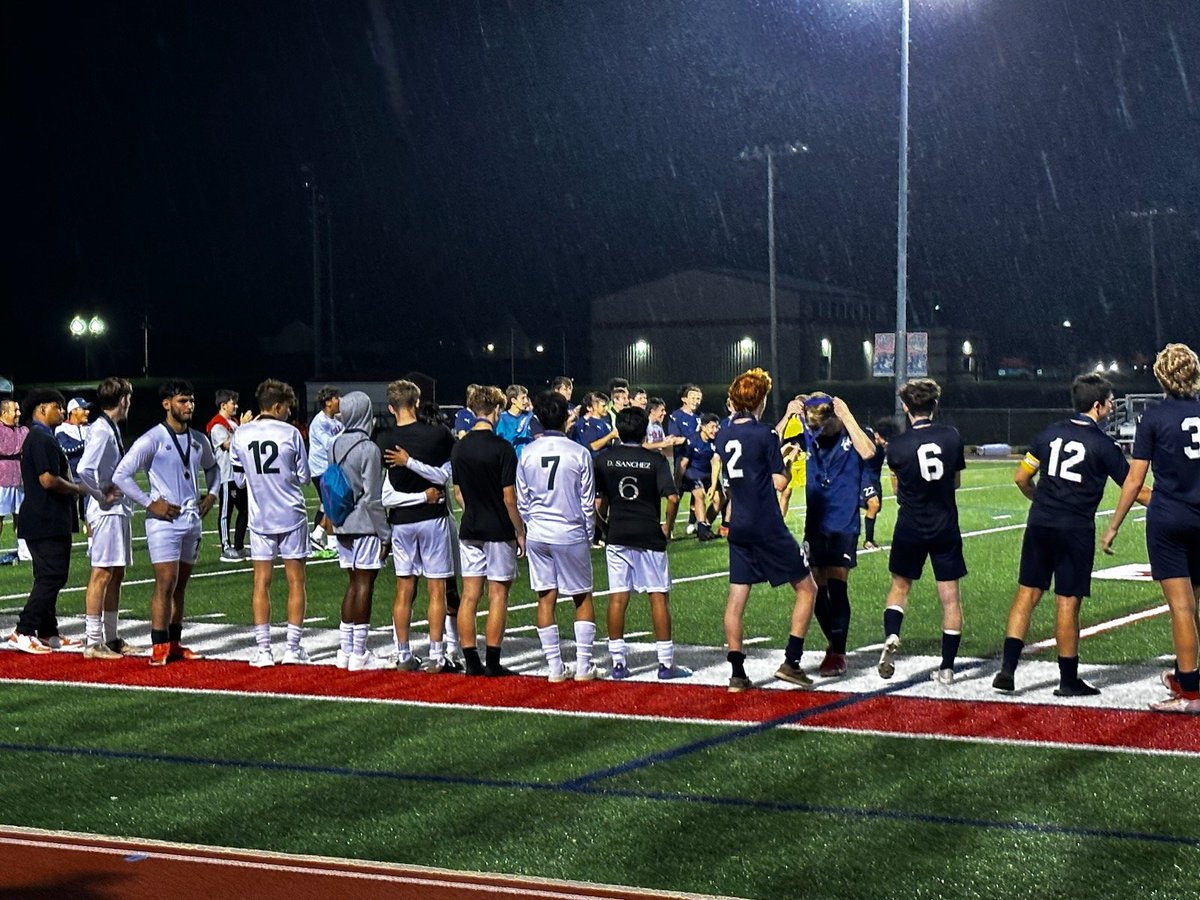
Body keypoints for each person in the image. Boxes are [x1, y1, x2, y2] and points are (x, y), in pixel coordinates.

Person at [993, 373, 1148, 696]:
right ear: (1098, 405)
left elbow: (1022, 478)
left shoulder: (1050, 434)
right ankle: (1067, 680)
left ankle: (1007, 670)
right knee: (1067, 601)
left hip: (1041, 522)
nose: (1110, 407)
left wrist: (1040, 500)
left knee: (1027, 594)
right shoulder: (1104, 445)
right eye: (1108, 402)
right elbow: (1136, 490)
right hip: (1075, 528)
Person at [1102, 343, 1200, 714]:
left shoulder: (1155, 419)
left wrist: (1113, 526)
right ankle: (1188, 675)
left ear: (1162, 376)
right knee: (1195, 606)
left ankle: (1189, 692)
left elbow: (1133, 480)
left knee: (1180, 608)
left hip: (1170, 519)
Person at [716, 368, 818, 693]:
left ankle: (736, 674)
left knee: (736, 600)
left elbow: (748, 459)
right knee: (807, 589)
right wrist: (787, 458)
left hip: (739, 524)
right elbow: (779, 481)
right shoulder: (765, 435)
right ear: (760, 400)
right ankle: (791, 661)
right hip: (766, 524)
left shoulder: (723, 434)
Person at [113, 379, 219, 666]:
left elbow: (213, 467)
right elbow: (121, 475)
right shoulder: (152, 439)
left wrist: (212, 494)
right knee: (165, 583)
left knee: (181, 584)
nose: (189, 406)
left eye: (191, 400)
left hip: (191, 520)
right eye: (183, 401)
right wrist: (150, 503)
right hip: (163, 522)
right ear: (167, 404)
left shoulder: (198, 439)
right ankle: (158, 643)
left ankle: (174, 642)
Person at [877, 378, 966, 685]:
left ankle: (891, 634)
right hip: (944, 524)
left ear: (905, 407)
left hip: (910, 525)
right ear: (934, 405)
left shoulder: (898, 446)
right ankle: (947, 668)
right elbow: (954, 482)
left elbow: (897, 489)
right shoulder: (951, 436)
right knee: (950, 599)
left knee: (900, 587)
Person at [596, 406, 691, 680]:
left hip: (618, 534)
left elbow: (594, 503)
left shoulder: (604, 459)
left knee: (618, 597)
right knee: (658, 596)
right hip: (649, 533)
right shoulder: (655, 460)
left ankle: (617, 664)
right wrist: (667, 528)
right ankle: (665, 664)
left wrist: (604, 527)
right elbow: (672, 498)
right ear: (643, 430)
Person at [517, 390, 601, 682]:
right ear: (566, 417)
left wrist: (532, 526)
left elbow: (522, 499)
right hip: (569, 531)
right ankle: (583, 665)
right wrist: (588, 533)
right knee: (582, 596)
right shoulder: (578, 452)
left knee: (545, 597)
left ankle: (554, 667)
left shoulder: (527, 452)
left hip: (539, 532)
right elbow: (587, 501)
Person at [378, 379, 460, 673]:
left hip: (401, 522)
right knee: (436, 588)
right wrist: (415, 469)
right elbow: (442, 477)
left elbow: (387, 487)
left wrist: (408, 463)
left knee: (404, 589)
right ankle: (437, 655)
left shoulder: (384, 439)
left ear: (390, 407)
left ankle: (403, 654)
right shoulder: (439, 435)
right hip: (431, 517)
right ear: (417, 402)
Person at [230, 379, 312, 667]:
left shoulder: (240, 434)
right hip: (290, 513)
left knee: (261, 582)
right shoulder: (290, 433)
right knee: (295, 581)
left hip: (260, 516)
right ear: (277, 406)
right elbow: (304, 477)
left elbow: (238, 479)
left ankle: (263, 650)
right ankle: (292, 647)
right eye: (287, 408)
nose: (289, 413)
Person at [798, 393, 877, 678]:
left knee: (837, 584)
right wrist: (789, 415)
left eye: (821, 425)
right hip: (815, 521)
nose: (816, 432)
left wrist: (847, 416)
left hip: (842, 521)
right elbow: (774, 443)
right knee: (815, 587)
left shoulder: (851, 432)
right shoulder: (809, 432)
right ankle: (834, 643)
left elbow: (868, 452)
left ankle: (838, 653)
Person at [451, 385, 526, 676]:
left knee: (470, 595)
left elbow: (458, 493)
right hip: (497, 529)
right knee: (498, 595)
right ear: (496, 410)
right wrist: (519, 530)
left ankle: (471, 661)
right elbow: (510, 498)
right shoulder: (502, 448)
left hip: (470, 525)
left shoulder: (460, 446)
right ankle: (493, 662)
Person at [6, 390, 87, 653]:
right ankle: (24, 630)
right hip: (44, 518)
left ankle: (48, 632)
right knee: (52, 576)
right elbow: (47, 479)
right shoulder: (40, 438)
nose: (62, 412)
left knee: (47, 576)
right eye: (57, 407)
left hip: (47, 517)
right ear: (41, 409)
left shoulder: (43, 436)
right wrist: (77, 489)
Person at [76, 377, 140, 659]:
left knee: (116, 573)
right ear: (123, 399)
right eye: (128, 398)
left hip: (116, 511)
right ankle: (93, 641)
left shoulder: (107, 426)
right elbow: (84, 470)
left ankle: (111, 637)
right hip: (106, 512)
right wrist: (101, 496)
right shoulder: (102, 430)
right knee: (101, 573)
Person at [331, 391, 392, 671]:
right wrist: (385, 532)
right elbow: (372, 497)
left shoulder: (334, 443)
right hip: (365, 524)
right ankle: (359, 652)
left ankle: (345, 650)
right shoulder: (369, 448)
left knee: (352, 583)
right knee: (365, 583)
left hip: (341, 521)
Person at [207, 388, 252, 562]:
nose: (236, 406)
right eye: (233, 402)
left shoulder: (233, 423)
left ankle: (239, 546)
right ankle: (226, 547)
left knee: (246, 510)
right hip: (226, 476)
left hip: (239, 476)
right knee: (226, 512)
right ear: (223, 405)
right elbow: (227, 445)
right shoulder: (217, 424)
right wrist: (243, 428)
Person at [308, 386, 343, 556]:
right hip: (320, 468)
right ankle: (331, 543)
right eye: (337, 398)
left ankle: (316, 535)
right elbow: (329, 444)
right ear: (328, 402)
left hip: (331, 468)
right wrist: (347, 432)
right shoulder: (319, 422)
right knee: (332, 506)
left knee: (329, 504)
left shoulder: (336, 420)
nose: (340, 401)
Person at [678, 412, 723, 541]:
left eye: (717, 427)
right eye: (712, 427)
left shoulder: (717, 441)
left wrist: (714, 486)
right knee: (699, 495)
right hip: (693, 472)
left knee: (720, 498)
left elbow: (715, 464)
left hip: (708, 473)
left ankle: (704, 526)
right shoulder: (692, 440)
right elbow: (684, 462)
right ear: (703, 427)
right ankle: (703, 531)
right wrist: (678, 482)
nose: (715, 430)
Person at [666, 383, 703, 537]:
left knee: (698, 493)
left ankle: (692, 522)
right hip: (682, 462)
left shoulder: (700, 418)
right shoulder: (676, 416)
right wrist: (692, 440)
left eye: (699, 398)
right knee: (676, 495)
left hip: (697, 463)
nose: (696, 400)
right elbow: (675, 438)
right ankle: (670, 526)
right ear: (684, 399)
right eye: (693, 397)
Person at [0, 398, 30, 561]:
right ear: (4, 412)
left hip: (20, 479)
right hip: (1, 480)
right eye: (15, 410)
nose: (19, 413)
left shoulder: (23, 430)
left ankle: (24, 552)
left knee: (22, 516)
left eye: (19, 410)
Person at [55, 397, 90, 529]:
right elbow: (66, 448)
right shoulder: (61, 429)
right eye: (84, 409)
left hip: (89, 477)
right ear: (73, 411)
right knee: (68, 516)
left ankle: (92, 547)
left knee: (90, 514)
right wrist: (88, 444)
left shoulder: (91, 427)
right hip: (71, 478)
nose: (87, 412)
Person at [860, 421, 895, 549]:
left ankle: (869, 539)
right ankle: (868, 541)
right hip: (863, 477)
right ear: (877, 435)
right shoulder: (866, 436)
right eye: (884, 439)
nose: (886, 442)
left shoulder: (887, 446)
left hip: (875, 479)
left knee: (875, 508)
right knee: (874, 505)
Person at [496, 384, 535, 458]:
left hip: (528, 460)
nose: (526, 401)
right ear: (513, 400)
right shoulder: (502, 418)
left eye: (526, 397)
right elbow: (502, 441)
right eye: (523, 398)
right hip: (510, 460)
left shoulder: (530, 416)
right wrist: (519, 431)